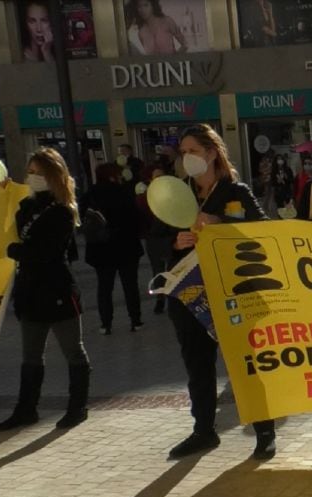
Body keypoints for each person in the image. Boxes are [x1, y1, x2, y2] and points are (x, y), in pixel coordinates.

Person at [162, 123, 277, 459]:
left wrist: (222, 226)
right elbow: (155, 238)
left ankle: (265, 431)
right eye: (183, 152)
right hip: (189, 295)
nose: (187, 158)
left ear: (211, 153)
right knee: (197, 366)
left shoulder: (235, 190)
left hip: (233, 293)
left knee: (246, 364)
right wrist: (175, 241)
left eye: (193, 151)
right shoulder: (177, 194)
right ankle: (204, 430)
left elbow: (262, 232)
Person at [0, 148, 91, 431]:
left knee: (73, 351)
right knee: (31, 355)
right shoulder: (27, 206)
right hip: (29, 292)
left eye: (39, 172)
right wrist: (4, 195)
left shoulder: (62, 210)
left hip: (58, 290)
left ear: (54, 175)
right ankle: (26, 409)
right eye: (31, 172)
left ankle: (77, 407)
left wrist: (13, 249)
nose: (33, 177)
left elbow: (44, 252)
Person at [82, 163, 145, 335]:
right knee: (130, 285)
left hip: (100, 248)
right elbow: (135, 218)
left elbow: (83, 221)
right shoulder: (124, 192)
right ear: (113, 175)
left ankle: (106, 323)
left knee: (104, 287)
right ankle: (135, 320)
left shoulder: (90, 195)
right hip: (126, 246)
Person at [139, 165, 171, 314]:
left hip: (170, 237)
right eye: (156, 177)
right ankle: (160, 299)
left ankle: (172, 299)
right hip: (154, 239)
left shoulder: (172, 194)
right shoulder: (145, 197)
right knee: (157, 271)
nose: (159, 180)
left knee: (172, 270)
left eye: (161, 176)